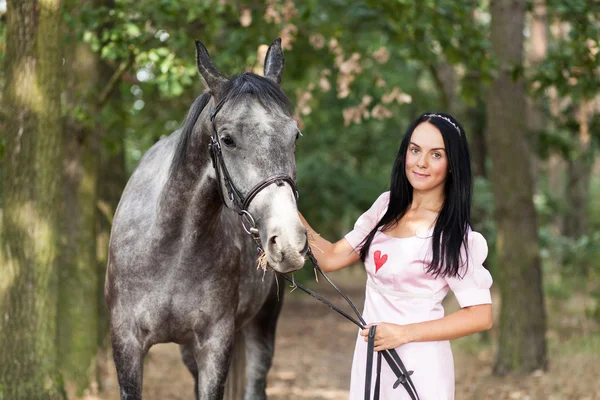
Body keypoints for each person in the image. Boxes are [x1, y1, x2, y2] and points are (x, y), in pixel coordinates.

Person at [299, 112, 493, 399]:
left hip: (420, 363)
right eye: (415, 150)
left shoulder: (452, 233)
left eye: (436, 155)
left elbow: (481, 316)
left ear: (452, 165)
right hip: (371, 356)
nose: (421, 163)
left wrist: (404, 333)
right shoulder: (386, 207)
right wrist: (284, 207)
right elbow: (329, 257)